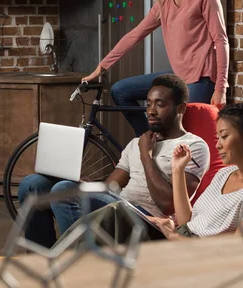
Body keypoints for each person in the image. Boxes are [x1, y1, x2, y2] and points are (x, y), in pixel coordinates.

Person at [18, 74, 210, 248]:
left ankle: (76, 265)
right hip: (117, 207)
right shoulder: (137, 142)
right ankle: (40, 258)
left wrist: (146, 155)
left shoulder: (192, 146)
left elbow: (168, 205)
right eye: (149, 103)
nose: (150, 111)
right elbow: (110, 188)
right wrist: (89, 186)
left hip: (150, 222)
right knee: (31, 185)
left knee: (63, 191)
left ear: (181, 108)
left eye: (160, 104)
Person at [82, 0, 229, 137]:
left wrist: (221, 88)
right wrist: (101, 67)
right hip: (178, 75)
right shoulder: (165, 1)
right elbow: (136, 34)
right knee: (120, 91)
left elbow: (221, 41)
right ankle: (151, 141)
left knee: (186, 139)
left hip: (201, 79)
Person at [148, 102, 243, 239]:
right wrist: (178, 169)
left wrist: (173, 236)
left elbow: (236, 250)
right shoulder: (224, 174)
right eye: (218, 137)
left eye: (224, 136)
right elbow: (188, 222)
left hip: (198, 253)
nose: (217, 145)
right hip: (182, 238)